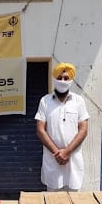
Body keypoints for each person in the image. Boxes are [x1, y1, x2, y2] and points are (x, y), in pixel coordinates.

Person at [34, 62, 90, 191]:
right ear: (54, 79)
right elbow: (40, 130)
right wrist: (57, 153)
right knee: (53, 202)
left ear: (71, 80)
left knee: (73, 200)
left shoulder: (78, 101)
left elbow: (83, 129)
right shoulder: (45, 101)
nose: (63, 81)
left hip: (72, 160)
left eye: (66, 78)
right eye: (59, 78)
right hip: (53, 159)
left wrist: (67, 152)